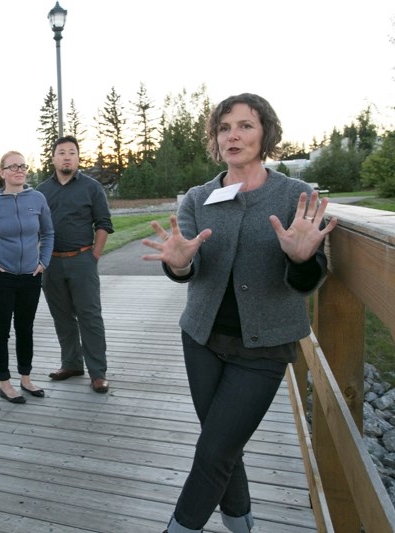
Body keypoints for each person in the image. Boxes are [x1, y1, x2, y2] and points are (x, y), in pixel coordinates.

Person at [141, 93, 338, 533]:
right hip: (201, 340)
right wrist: (179, 262)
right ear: (215, 139)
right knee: (223, 443)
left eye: (245, 125)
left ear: (265, 133)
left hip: (264, 348)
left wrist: (303, 259)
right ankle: (240, 521)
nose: (233, 134)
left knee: (214, 452)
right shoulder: (199, 197)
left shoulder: (296, 195)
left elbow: (310, 278)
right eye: (224, 127)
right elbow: (188, 266)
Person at [0, 151, 54, 403]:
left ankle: (25, 379)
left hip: (30, 276)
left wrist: (43, 262)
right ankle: (4, 383)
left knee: (25, 329)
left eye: (22, 166)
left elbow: (48, 234)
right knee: (1, 330)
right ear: (2, 172)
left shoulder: (37, 199)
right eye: (13, 166)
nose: (19, 170)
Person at [36, 136, 114, 393]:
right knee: (62, 317)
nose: (67, 156)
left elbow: (103, 223)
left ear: (78, 158)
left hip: (82, 260)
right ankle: (71, 363)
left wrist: (93, 256)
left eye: (72, 152)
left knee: (90, 317)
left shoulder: (92, 188)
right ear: (53, 158)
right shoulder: (41, 192)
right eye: (61, 152)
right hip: (51, 263)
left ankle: (98, 373)